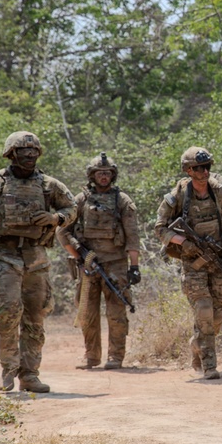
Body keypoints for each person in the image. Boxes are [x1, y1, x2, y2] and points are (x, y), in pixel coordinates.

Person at [0, 131, 76, 393]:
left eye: (34, 151)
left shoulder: (50, 185)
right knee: (7, 314)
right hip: (5, 257)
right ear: (11, 154)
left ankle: (30, 375)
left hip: (37, 258)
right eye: (23, 151)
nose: (29, 155)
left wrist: (55, 219)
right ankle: (8, 371)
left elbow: (72, 209)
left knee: (35, 317)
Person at [155, 147, 222, 380]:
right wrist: (183, 243)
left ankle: (197, 345)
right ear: (188, 170)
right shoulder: (178, 196)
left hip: (220, 260)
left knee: (217, 317)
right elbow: (159, 228)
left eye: (207, 167)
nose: (204, 172)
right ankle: (209, 365)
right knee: (203, 310)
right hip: (193, 263)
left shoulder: (220, 193)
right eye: (198, 168)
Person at [58, 153, 141, 371]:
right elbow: (62, 232)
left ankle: (115, 357)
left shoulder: (122, 200)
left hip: (116, 264)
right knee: (87, 313)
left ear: (112, 175)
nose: (103, 177)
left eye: (107, 173)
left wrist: (134, 266)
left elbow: (132, 236)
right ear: (92, 175)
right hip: (87, 266)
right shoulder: (80, 200)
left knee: (116, 313)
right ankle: (91, 357)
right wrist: (79, 255)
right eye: (99, 173)